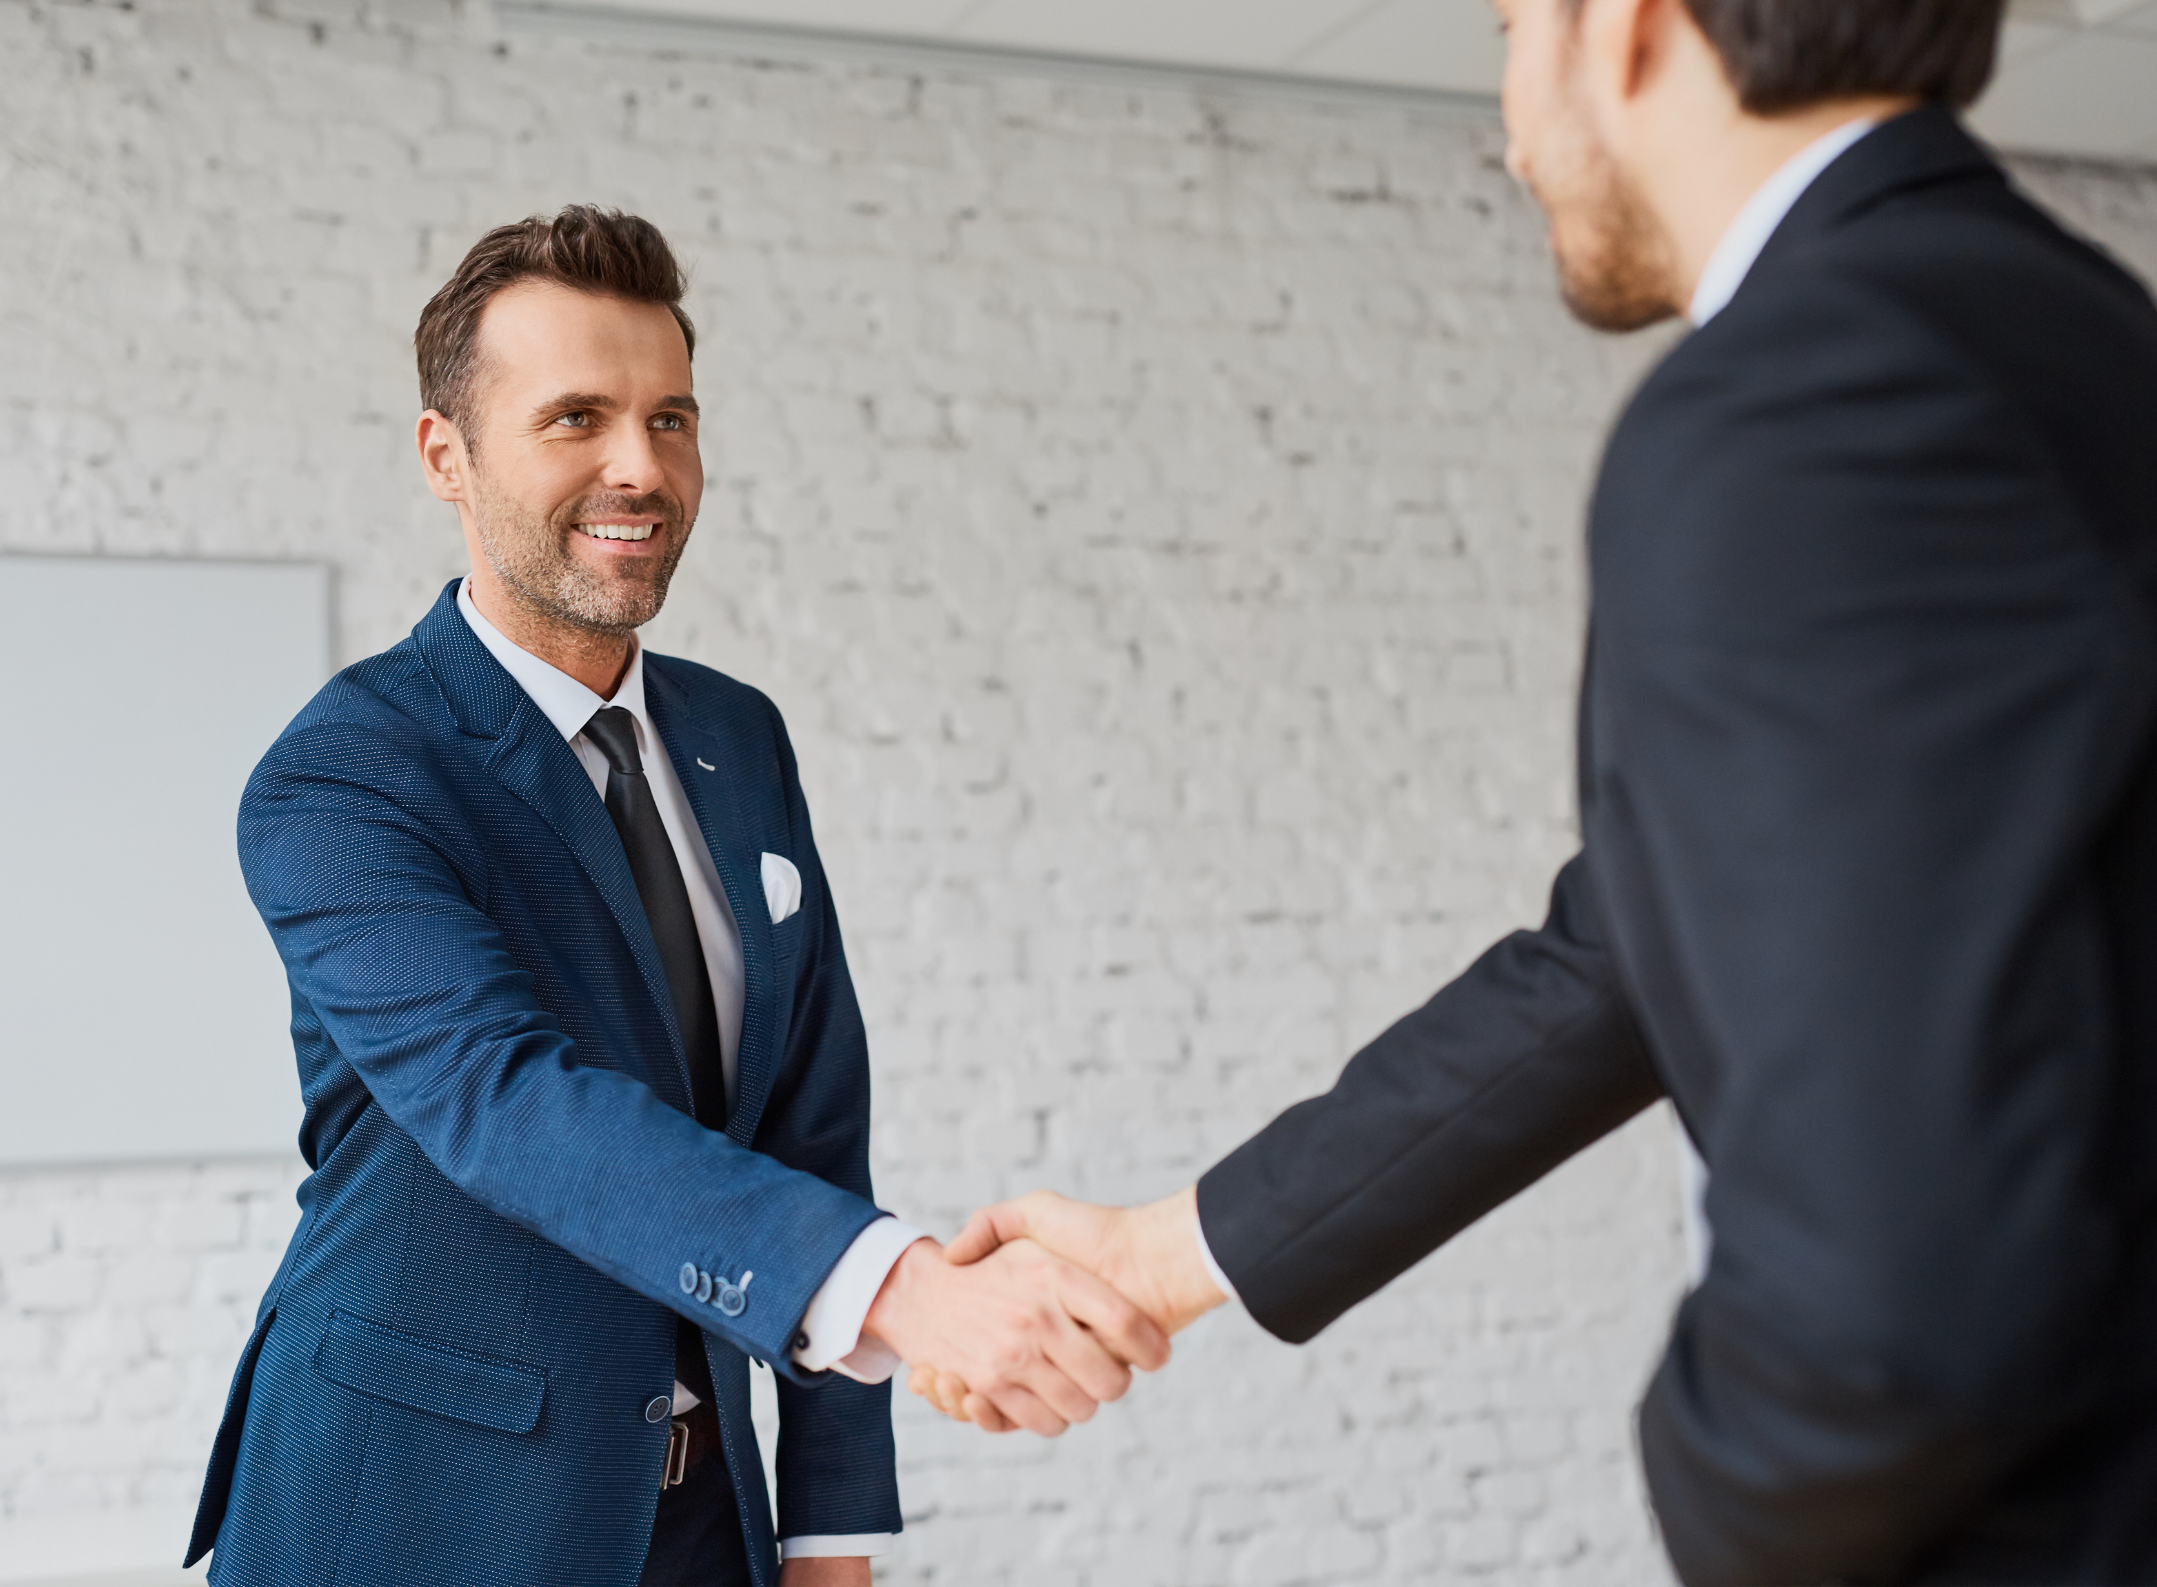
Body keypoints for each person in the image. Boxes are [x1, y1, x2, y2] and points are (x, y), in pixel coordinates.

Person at [926, 0, 2157, 1580]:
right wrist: (1169, 1253)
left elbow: (1895, 1290)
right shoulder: (2083, 331)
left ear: (1621, 24)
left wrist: (1733, 1499)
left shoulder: (1802, 409)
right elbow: (1631, 945)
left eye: (1510, 27)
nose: (1509, 126)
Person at [184, 207, 1167, 1587]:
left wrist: (832, 1526)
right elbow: (508, 1101)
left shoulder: (739, 735)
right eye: (576, 416)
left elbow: (816, 1130)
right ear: (445, 457)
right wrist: (902, 1292)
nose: (639, 468)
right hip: (414, 1518)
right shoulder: (346, 775)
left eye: (673, 418)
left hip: (708, 1523)